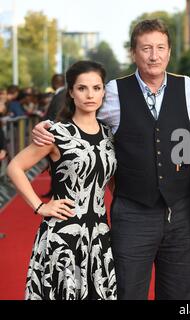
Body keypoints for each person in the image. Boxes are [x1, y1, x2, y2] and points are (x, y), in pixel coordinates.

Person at [31, 19, 190, 300]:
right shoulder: (113, 91)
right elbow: (82, 115)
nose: (154, 55)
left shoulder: (187, 88)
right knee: (127, 292)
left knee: (180, 294)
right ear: (133, 53)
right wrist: (49, 125)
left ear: (170, 52)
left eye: (160, 48)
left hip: (181, 214)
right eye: (146, 48)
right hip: (133, 212)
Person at [7, 60, 117, 300]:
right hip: (62, 237)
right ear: (71, 92)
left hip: (98, 237)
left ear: (103, 92)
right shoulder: (57, 132)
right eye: (82, 88)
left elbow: (109, 181)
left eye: (97, 88)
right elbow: (15, 167)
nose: (90, 95)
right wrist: (40, 206)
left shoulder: (109, 134)